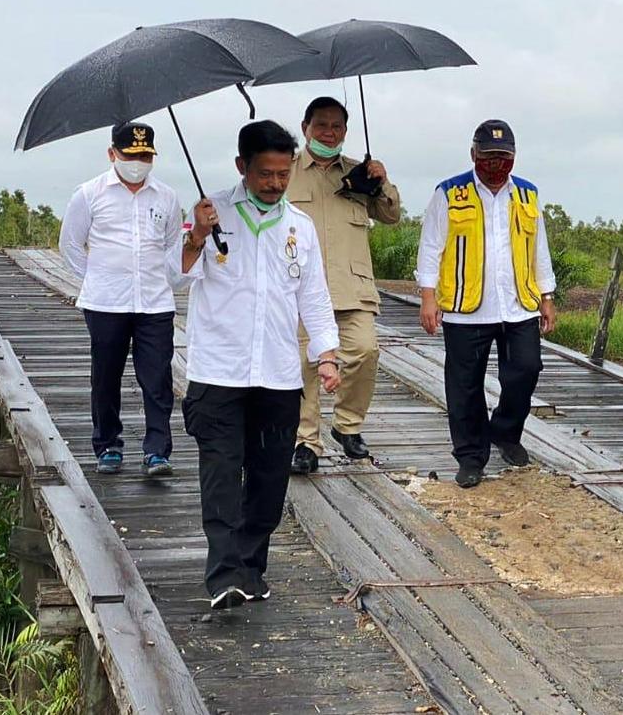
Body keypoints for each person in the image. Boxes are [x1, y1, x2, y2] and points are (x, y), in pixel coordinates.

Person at [178, 120, 341, 610]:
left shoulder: (299, 227)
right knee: (222, 475)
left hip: (276, 375)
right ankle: (223, 574)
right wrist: (194, 239)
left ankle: (251, 568)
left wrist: (326, 353)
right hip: (218, 373)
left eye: (282, 173)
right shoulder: (211, 215)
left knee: (269, 479)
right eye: (265, 173)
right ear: (241, 167)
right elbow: (173, 277)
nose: (274, 183)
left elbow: (313, 296)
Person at [415, 120, 556, 489]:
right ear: (473, 155)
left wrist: (547, 296)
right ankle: (470, 456)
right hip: (466, 308)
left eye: (504, 158)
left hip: (518, 304)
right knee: (464, 386)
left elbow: (538, 248)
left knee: (526, 369)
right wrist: (428, 297)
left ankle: (506, 432)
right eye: (488, 158)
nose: (496, 166)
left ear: (513, 157)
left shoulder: (527, 195)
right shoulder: (449, 193)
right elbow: (431, 247)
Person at [286, 96, 402, 474]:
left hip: (352, 286)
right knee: (305, 365)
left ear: (346, 132)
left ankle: (347, 425)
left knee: (366, 351)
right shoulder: (286, 171)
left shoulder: (360, 172)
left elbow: (390, 215)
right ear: (305, 128)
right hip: (301, 287)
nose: (329, 132)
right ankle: (306, 442)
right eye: (321, 125)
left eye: (336, 126)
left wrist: (381, 181)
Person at [59, 123, 182, 477]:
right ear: (112, 153)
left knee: (157, 377)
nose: (137, 163)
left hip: (155, 303)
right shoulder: (89, 193)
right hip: (105, 303)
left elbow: (173, 245)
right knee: (106, 375)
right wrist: (97, 277)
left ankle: (157, 451)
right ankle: (108, 444)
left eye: (145, 156)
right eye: (130, 156)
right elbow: (69, 245)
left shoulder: (166, 197)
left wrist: (168, 280)